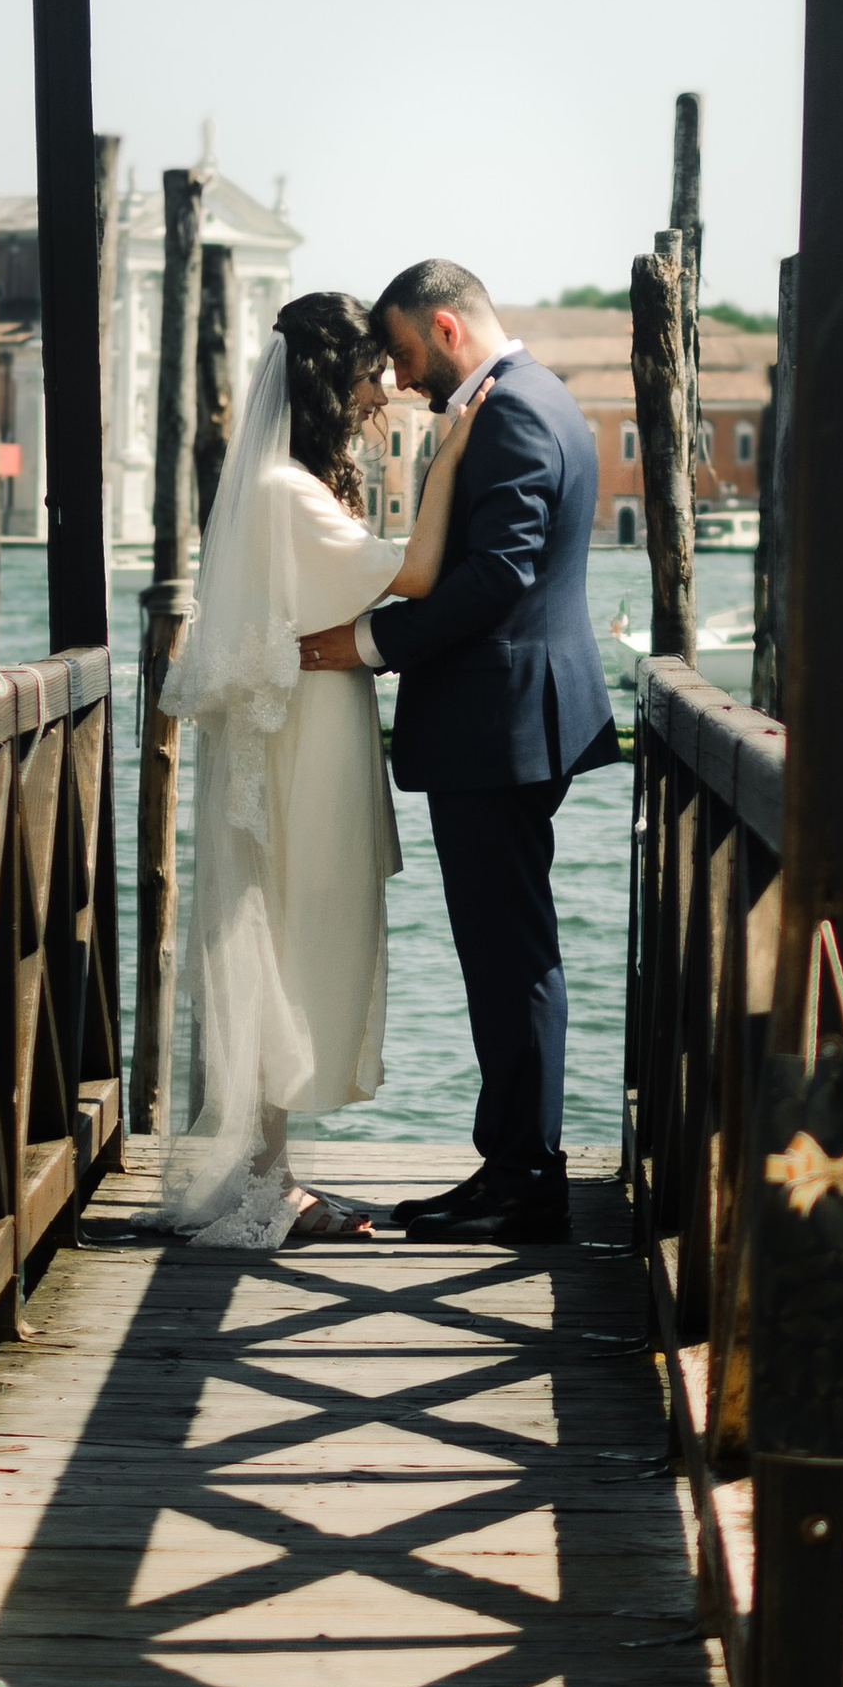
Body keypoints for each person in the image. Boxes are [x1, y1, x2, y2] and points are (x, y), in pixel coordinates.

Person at [160, 288, 494, 1250]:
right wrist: (447, 462)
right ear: (327, 379)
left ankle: (271, 1175)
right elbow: (415, 576)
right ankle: (270, 1184)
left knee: (285, 938)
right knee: (285, 938)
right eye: (368, 375)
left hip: (309, 731)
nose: (381, 393)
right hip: (302, 748)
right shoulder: (287, 493)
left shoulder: (284, 486)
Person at [297, 258, 617, 1246]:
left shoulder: (512, 411)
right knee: (506, 952)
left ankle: (523, 1181)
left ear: (444, 327)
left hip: (501, 727)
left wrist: (367, 645)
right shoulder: (537, 396)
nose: (398, 379)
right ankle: (513, 1167)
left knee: (507, 956)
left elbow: (497, 578)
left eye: (401, 353)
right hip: (514, 720)